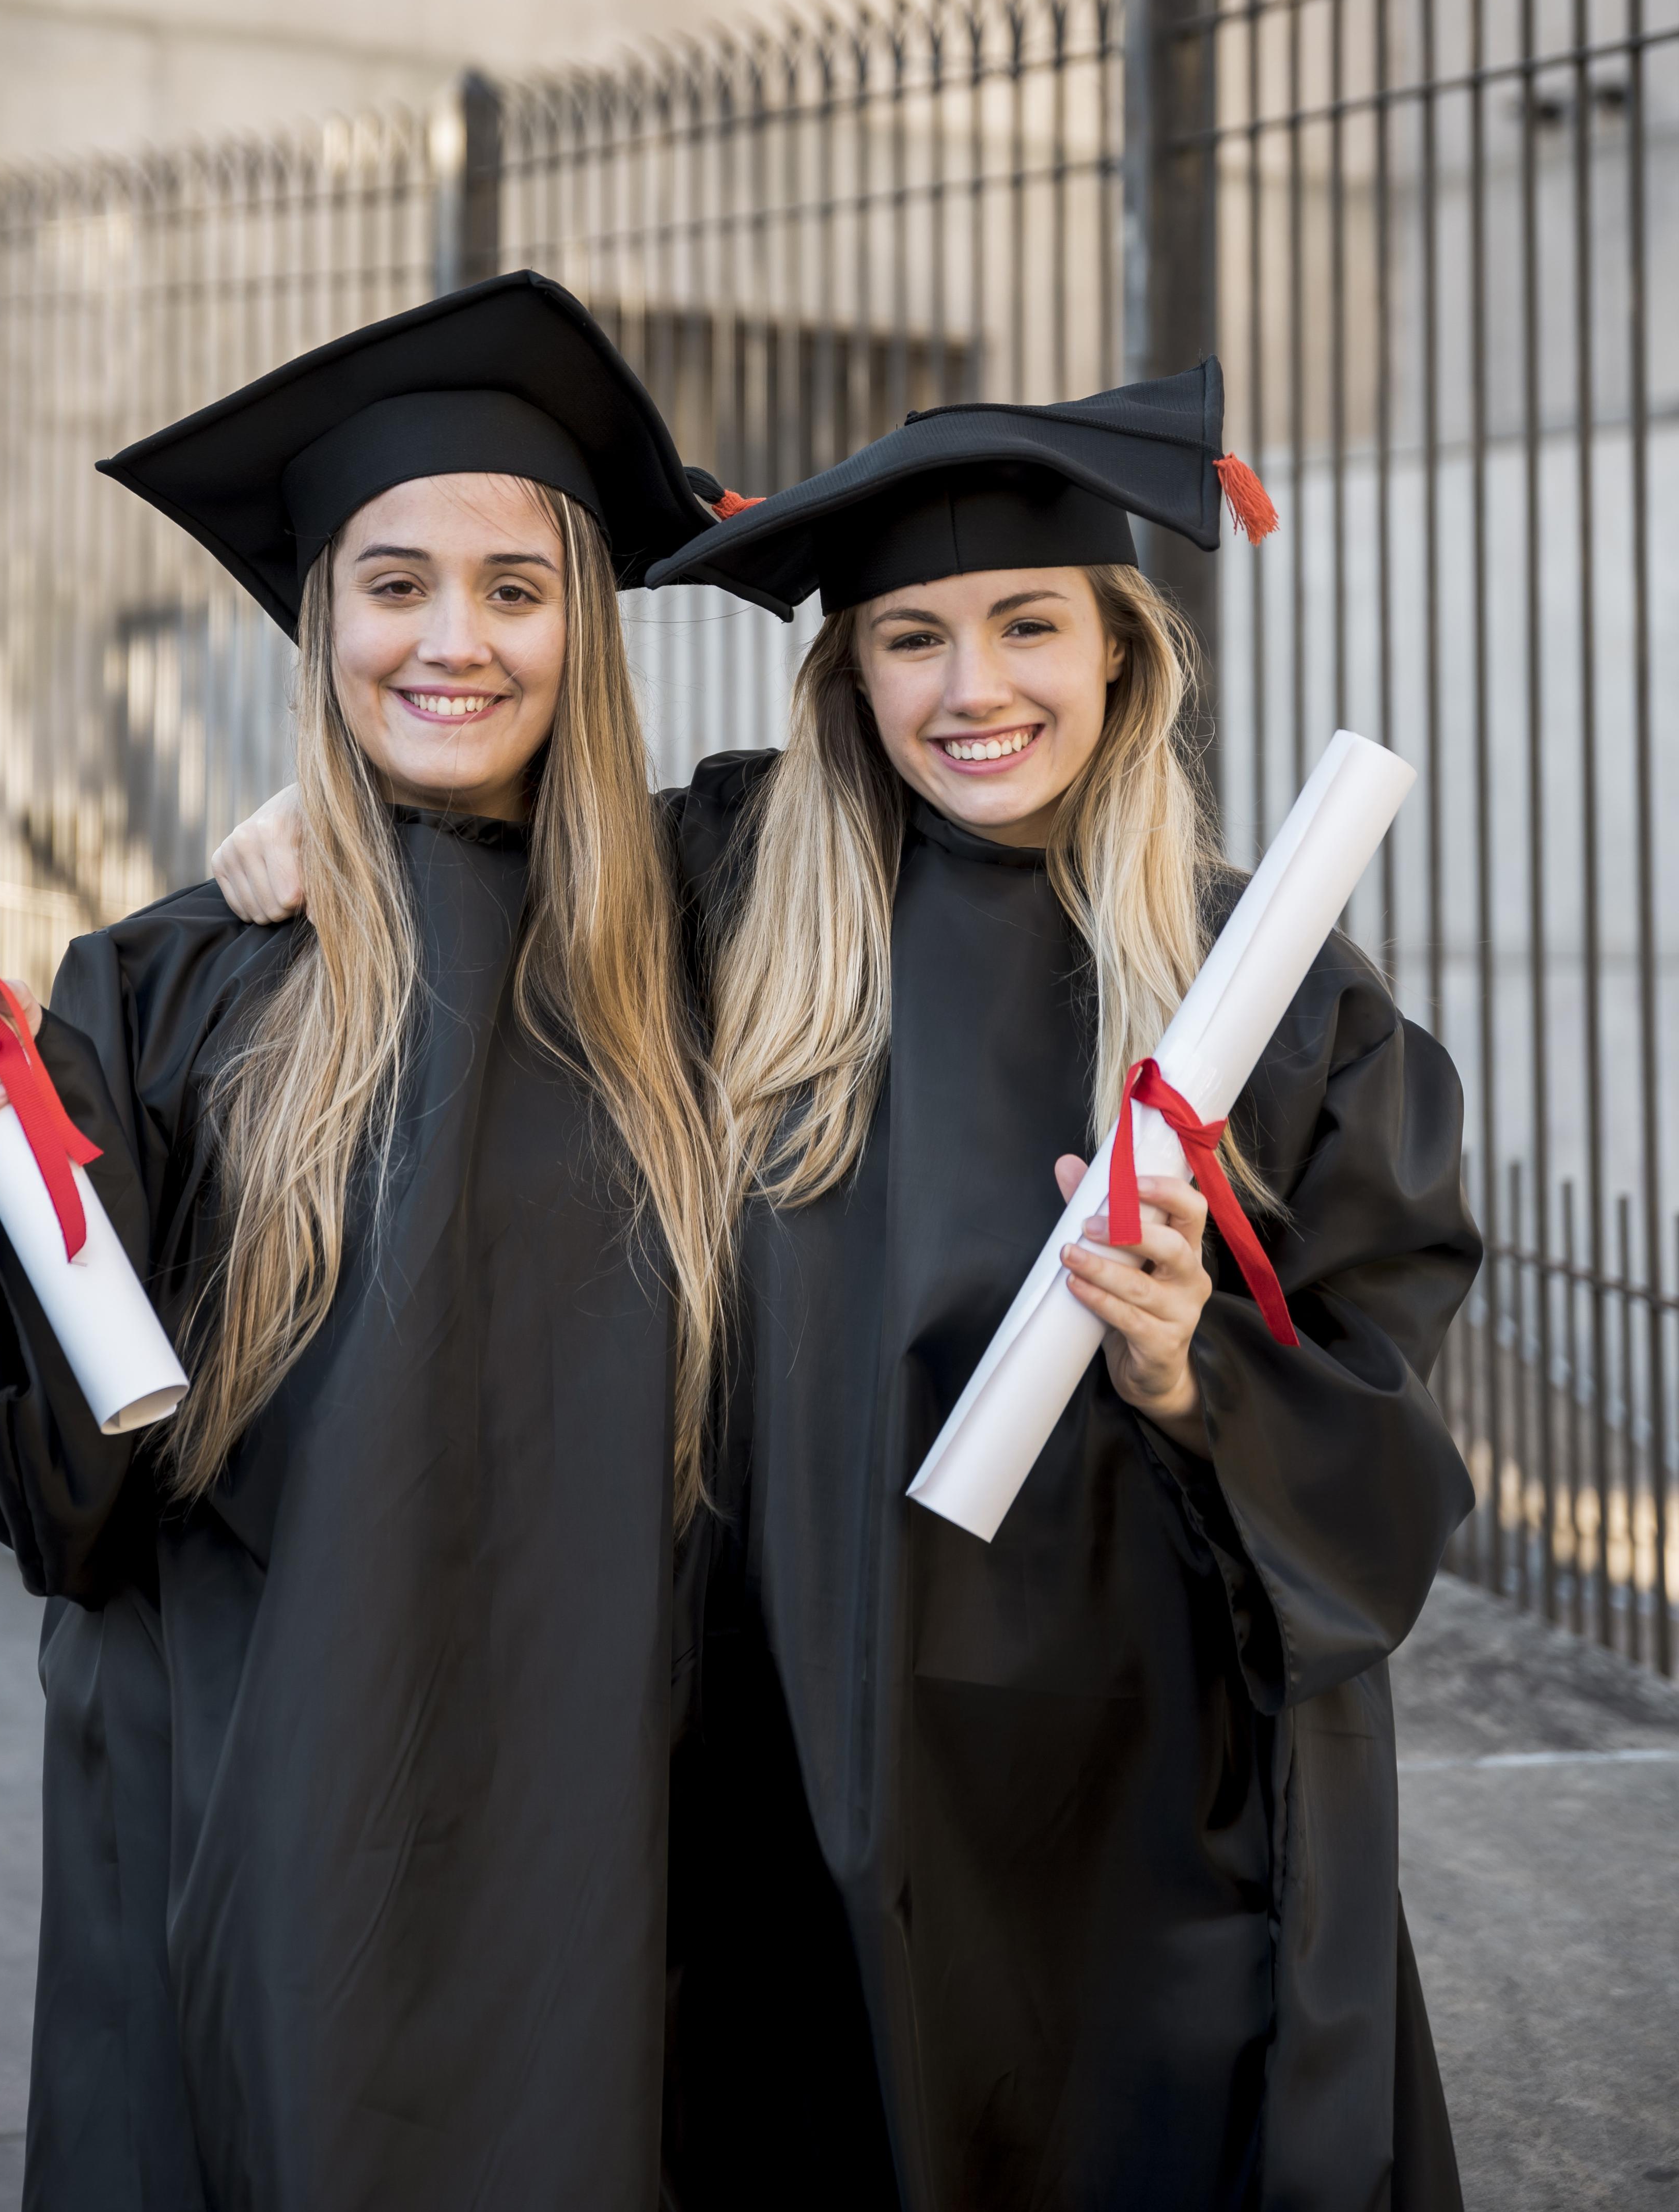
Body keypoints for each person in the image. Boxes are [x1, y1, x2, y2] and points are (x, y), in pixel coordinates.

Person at [209, 366, 1480, 2207]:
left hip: (1128, 1790)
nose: (976, 691)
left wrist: (1190, 1358)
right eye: (912, 639)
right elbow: (484, 843)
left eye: (1028, 625)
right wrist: (298, 824)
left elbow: (1378, 1422)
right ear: (850, 676)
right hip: (776, 1747)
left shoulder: (1265, 994)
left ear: (1121, 650)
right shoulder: (725, 895)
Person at [0, 272, 731, 2210]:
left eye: (516, 589)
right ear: (318, 618)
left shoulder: (706, 955)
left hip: (604, 1838)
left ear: (585, 631)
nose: (456, 640)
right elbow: (51, 1489)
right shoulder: (171, 985)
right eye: (395, 582)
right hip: (245, 1821)